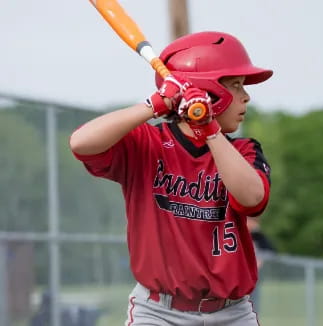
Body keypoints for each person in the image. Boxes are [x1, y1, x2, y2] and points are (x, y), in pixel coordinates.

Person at [69, 31, 272, 325]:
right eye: (236, 85)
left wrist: (209, 129)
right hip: (158, 312)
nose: (246, 96)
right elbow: (81, 143)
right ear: (210, 91)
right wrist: (156, 103)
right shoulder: (146, 143)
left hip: (232, 312)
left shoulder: (243, 150)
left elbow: (252, 199)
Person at [246, 216, 276, 314]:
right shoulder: (237, 235)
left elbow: (272, 251)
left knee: (253, 308)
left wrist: (257, 232)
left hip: (254, 280)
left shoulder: (257, 238)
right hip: (238, 280)